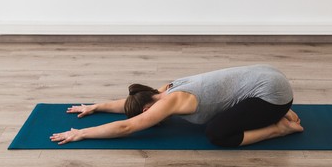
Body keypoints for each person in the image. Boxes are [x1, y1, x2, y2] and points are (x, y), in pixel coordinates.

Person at [50, 64, 303, 147]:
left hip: (273, 93)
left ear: (148, 109)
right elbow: (129, 106)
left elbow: (127, 127)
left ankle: (279, 127)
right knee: (226, 112)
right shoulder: (163, 89)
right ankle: (273, 110)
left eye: (146, 114)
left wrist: (80, 133)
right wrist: (97, 106)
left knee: (218, 134)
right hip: (267, 77)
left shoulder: (172, 100)